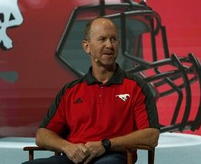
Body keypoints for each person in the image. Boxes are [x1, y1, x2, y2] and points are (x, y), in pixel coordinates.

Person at [22, 17, 160, 164]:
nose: (109, 45)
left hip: (113, 156)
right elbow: (42, 135)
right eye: (102, 39)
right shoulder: (70, 91)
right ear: (86, 46)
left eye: (114, 39)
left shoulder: (136, 86)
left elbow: (151, 136)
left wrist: (105, 145)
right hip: (72, 158)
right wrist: (67, 147)